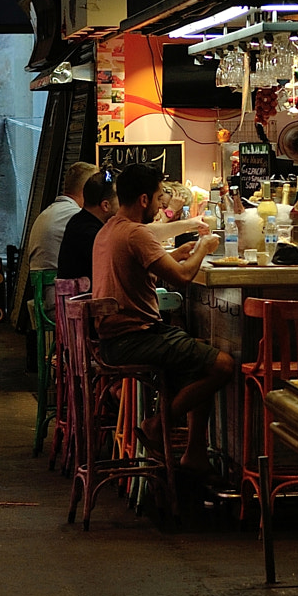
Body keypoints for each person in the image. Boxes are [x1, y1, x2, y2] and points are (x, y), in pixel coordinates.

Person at [90, 163, 233, 475]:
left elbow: (151, 266)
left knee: (197, 362)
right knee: (222, 365)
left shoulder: (108, 230)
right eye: (157, 199)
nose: (159, 207)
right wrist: (205, 247)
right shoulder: (136, 233)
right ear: (143, 199)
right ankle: (157, 425)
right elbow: (182, 278)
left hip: (114, 340)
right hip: (134, 339)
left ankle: (194, 454)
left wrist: (179, 253)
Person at [16, 160, 100, 328]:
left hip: (49, 299)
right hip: (59, 305)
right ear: (88, 190)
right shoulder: (75, 217)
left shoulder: (52, 211)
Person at [56, 171, 114, 281]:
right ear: (105, 205)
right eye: (121, 199)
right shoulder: (88, 232)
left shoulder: (79, 221)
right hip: (84, 297)